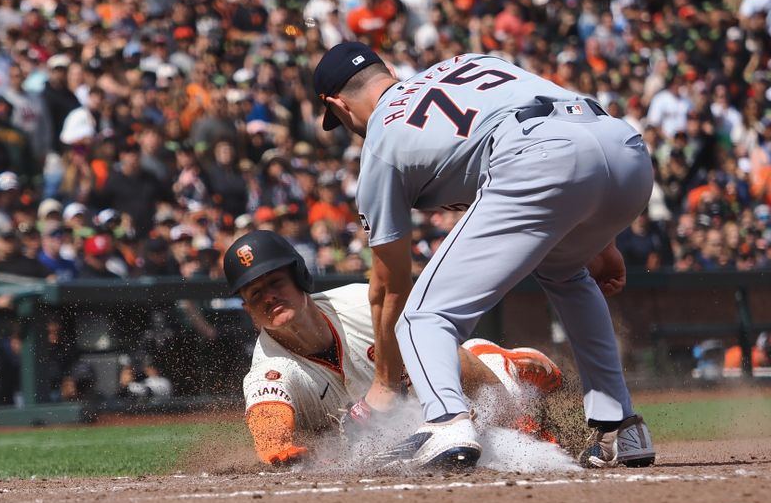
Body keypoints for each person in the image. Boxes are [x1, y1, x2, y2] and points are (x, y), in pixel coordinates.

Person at [312, 41, 656, 470]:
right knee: (566, 273)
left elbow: (388, 285)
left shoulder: (381, 138)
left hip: (539, 156)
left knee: (422, 317)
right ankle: (620, 428)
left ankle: (447, 422)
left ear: (337, 105)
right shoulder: (468, 62)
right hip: (624, 150)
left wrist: (384, 384)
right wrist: (602, 239)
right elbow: (565, 124)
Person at [223, 230, 562, 466]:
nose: (268, 296)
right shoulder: (270, 368)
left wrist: (517, 420)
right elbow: (268, 408)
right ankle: (492, 360)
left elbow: (443, 351)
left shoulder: (359, 303)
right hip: (379, 435)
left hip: (427, 403)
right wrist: (275, 443)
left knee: (445, 363)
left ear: (299, 277)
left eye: (275, 282)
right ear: (248, 310)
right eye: (255, 294)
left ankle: (503, 372)